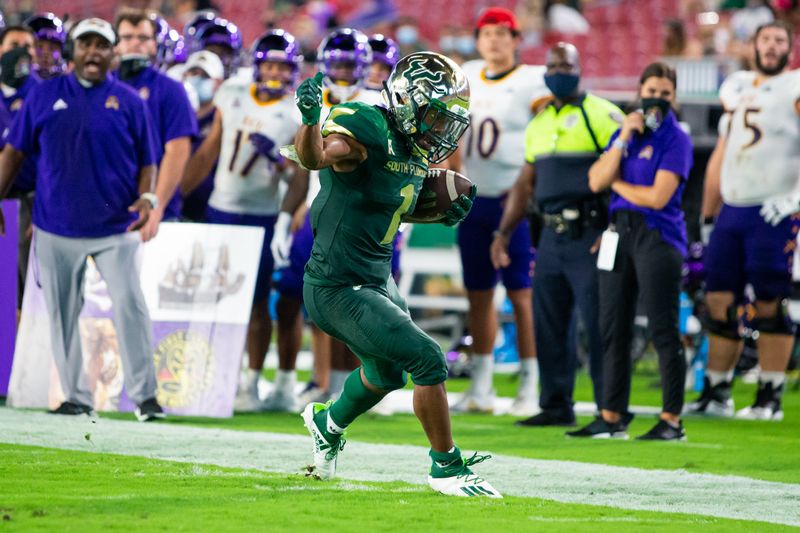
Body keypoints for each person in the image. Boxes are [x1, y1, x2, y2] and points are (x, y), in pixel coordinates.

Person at [293, 51, 500, 498]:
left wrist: (437, 214)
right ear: (408, 100)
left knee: (386, 375)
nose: (439, 129)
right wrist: (311, 121)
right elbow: (315, 158)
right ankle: (446, 466)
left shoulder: (413, 149)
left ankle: (328, 423)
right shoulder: (365, 124)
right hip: (336, 285)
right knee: (427, 359)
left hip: (374, 279)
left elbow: (385, 209)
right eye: (433, 116)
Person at [0, 17, 163, 421]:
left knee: (131, 306)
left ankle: (146, 397)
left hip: (115, 227)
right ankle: (75, 395)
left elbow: (149, 160)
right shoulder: (42, 96)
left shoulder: (129, 100)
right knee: (62, 314)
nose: (93, 52)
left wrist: (147, 196)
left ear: (112, 53)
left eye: (101, 45)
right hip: (56, 225)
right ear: (72, 51)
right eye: (86, 44)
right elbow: (14, 153)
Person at [491, 42, 623, 427]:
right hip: (550, 235)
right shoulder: (539, 122)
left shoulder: (603, 114)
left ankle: (608, 408)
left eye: (565, 64)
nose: (557, 70)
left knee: (599, 322)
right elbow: (525, 183)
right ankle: (555, 404)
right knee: (549, 321)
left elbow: (625, 173)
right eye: (552, 65)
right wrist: (503, 232)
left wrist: (614, 227)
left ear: (580, 68)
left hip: (591, 232)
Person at [569, 62, 693, 441]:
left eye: (665, 93)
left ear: (675, 98)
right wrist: (623, 136)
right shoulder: (629, 134)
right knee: (611, 327)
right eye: (651, 91)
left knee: (663, 329)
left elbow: (657, 197)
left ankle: (672, 419)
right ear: (640, 92)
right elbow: (594, 180)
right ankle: (611, 415)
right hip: (618, 234)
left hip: (658, 236)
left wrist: (618, 185)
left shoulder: (677, 139)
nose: (656, 99)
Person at [182, 29, 304, 412]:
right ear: (256, 64)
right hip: (221, 209)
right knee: (212, 302)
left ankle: (250, 381)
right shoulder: (232, 94)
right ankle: (215, 376)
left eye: (281, 66)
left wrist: (277, 160)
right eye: (267, 64)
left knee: (255, 305)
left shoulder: (297, 111)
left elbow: (300, 173)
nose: (273, 72)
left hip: (263, 216)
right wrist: (177, 194)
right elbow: (208, 151)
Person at [688, 21, 800, 421]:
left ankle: (769, 394)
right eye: (766, 39)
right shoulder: (738, 87)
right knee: (718, 299)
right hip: (732, 210)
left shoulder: (793, 86)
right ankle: (717, 390)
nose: (772, 47)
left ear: (790, 47)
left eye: (780, 40)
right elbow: (723, 152)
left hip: (772, 209)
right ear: (753, 46)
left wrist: (795, 198)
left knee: (769, 301)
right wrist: (707, 212)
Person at [271, 28, 379, 407]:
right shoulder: (313, 101)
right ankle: (329, 383)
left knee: (358, 306)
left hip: (362, 219)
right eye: (338, 65)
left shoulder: (376, 103)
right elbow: (305, 165)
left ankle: (359, 382)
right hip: (320, 217)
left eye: (351, 64)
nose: (345, 72)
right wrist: (287, 216)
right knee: (312, 304)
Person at [454, 7, 549, 417]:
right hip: (473, 196)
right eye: (487, 33)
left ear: (515, 40)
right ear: (478, 39)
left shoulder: (533, 79)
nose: (493, 40)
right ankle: (481, 385)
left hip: (515, 200)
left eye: (501, 33)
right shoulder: (468, 74)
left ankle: (530, 384)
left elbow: (548, 131)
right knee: (478, 295)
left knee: (520, 295)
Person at [114, 9, 197, 231]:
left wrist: (156, 205)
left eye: (143, 38)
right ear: (115, 44)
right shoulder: (102, 85)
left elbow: (177, 151)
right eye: (127, 37)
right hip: (106, 207)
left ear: (154, 44)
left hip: (153, 211)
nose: (135, 44)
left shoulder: (171, 89)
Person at [0, 25, 39, 315]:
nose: (22, 51)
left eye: (28, 46)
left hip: (29, 200)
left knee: (27, 291)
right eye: (15, 44)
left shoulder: (43, 92)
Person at [180, 50, 225, 222]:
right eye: (193, 73)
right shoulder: (176, 114)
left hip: (208, 209)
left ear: (218, 82)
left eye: (204, 75)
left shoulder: (223, 118)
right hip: (176, 205)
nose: (197, 79)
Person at [24, 13, 67, 80]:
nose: (45, 53)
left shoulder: (67, 80)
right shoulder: (20, 81)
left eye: (52, 48)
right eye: (40, 47)